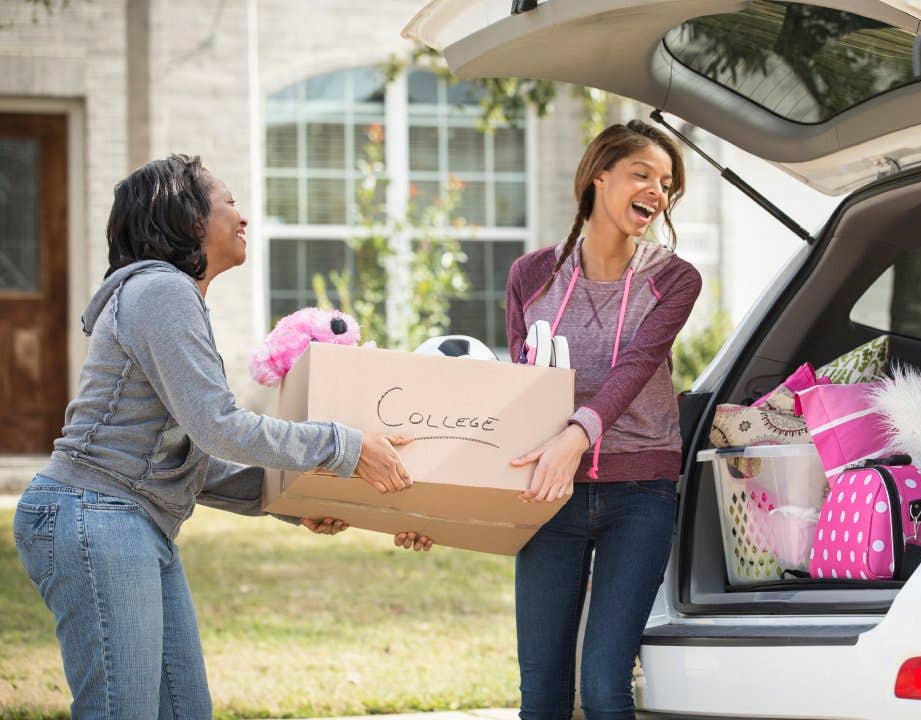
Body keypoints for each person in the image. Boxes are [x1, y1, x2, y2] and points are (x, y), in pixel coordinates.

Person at [11, 154, 416, 718]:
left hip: (129, 520)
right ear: (188, 218)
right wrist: (345, 446)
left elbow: (190, 458)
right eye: (228, 203)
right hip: (95, 515)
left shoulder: (172, 298)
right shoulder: (161, 292)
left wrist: (290, 504)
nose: (242, 217)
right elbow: (221, 427)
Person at [506, 119, 702, 719]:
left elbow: (635, 368)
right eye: (642, 174)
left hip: (640, 493)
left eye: (666, 183)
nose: (656, 191)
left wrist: (577, 434)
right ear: (599, 177)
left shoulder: (673, 280)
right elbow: (521, 387)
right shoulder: (531, 275)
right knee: (541, 693)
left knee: (603, 685)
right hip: (549, 492)